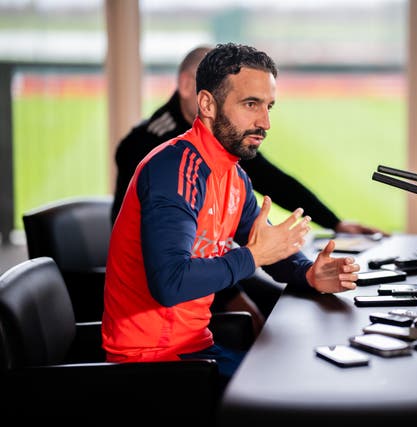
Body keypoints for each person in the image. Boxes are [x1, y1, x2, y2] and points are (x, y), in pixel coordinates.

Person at [102, 42, 360, 385]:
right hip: (150, 366)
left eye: (269, 106)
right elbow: (170, 283)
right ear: (207, 104)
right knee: (299, 389)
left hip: (195, 349)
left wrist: (310, 272)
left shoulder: (234, 175)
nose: (265, 122)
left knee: (306, 376)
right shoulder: (174, 169)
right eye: (251, 104)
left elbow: (269, 248)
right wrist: (253, 256)